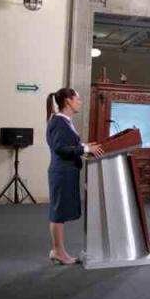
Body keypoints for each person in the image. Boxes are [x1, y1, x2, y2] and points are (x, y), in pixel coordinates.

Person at [45, 88, 104, 265]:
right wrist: (85, 149)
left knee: (60, 212)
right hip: (61, 172)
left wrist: (84, 147)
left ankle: (59, 251)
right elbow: (59, 148)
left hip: (66, 172)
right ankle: (58, 251)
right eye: (78, 99)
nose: (80, 102)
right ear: (68, 101)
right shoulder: (58, 121)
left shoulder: (65, 121)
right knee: (58, 213)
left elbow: (67, 144)